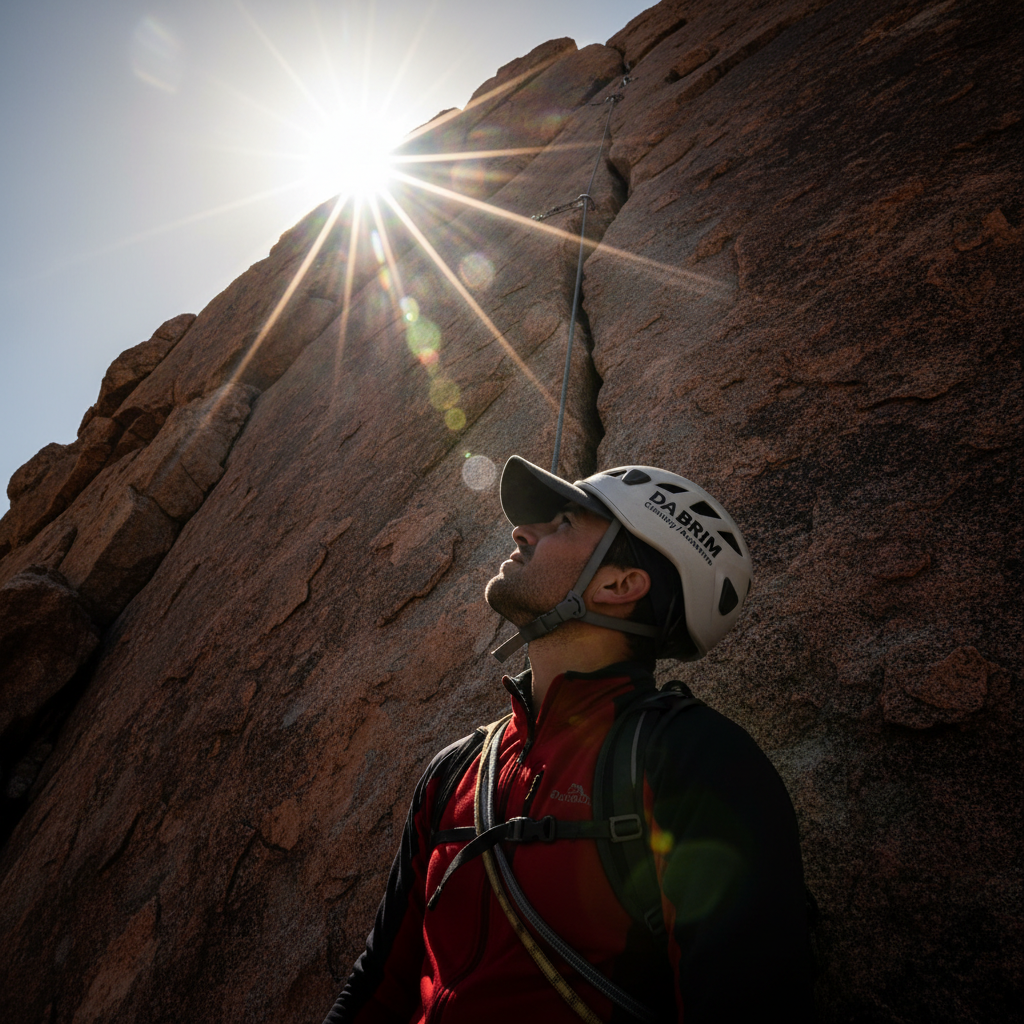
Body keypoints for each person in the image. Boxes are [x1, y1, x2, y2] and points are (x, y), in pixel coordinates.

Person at [323, 457, 816, 1023]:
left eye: (562, 522)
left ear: (618, 585)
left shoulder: (696, 762)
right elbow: (378, 984)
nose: (520, 530)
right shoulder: (454, 771)